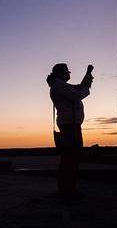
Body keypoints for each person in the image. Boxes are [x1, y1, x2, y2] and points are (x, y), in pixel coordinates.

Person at [46, 63, 93, 199]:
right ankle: (67, 190)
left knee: (70, 158)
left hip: (70, 124)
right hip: (69, 125)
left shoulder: (60, 85)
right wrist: (87, 89)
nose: (69, 73)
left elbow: (78, 87)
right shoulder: (59, 85)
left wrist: (88, 74)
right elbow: (76, 95)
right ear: (60, 73)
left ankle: (67, 188)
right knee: (70, 158)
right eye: (67, 71)